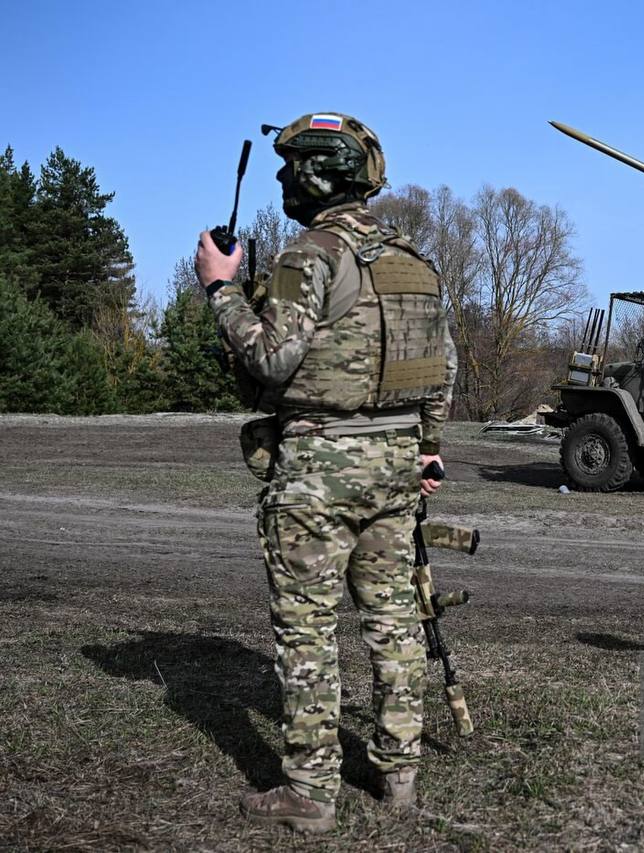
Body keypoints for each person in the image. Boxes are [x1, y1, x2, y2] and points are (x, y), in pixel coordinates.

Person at [194, 112, 456, 831]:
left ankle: (310, 792)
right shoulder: (414, 261)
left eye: (289, 170)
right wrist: (427, 448)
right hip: (395, 464)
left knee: (308, 628)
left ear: (314, 176)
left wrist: (221, 288)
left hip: (319, 468)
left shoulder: (309, 255)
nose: (284, 181)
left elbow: (272, 358)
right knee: (394, 620)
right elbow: (442, 368)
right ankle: (398, 774)